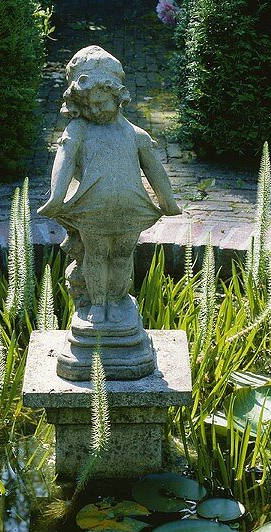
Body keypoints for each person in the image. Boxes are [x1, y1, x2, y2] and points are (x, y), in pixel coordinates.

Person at [38, 46, 181, 326]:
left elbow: (155, 171)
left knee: (121, 256)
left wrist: (168, 201)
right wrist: (56, 197)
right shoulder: (78, 130)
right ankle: (97, 304)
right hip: (93, 210)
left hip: (130, 208)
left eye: (102, 103)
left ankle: (116, 302)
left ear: (118, 96)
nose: (95, 110)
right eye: (88, 105)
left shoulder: (135, 134)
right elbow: (64, 160)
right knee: (96, 255)